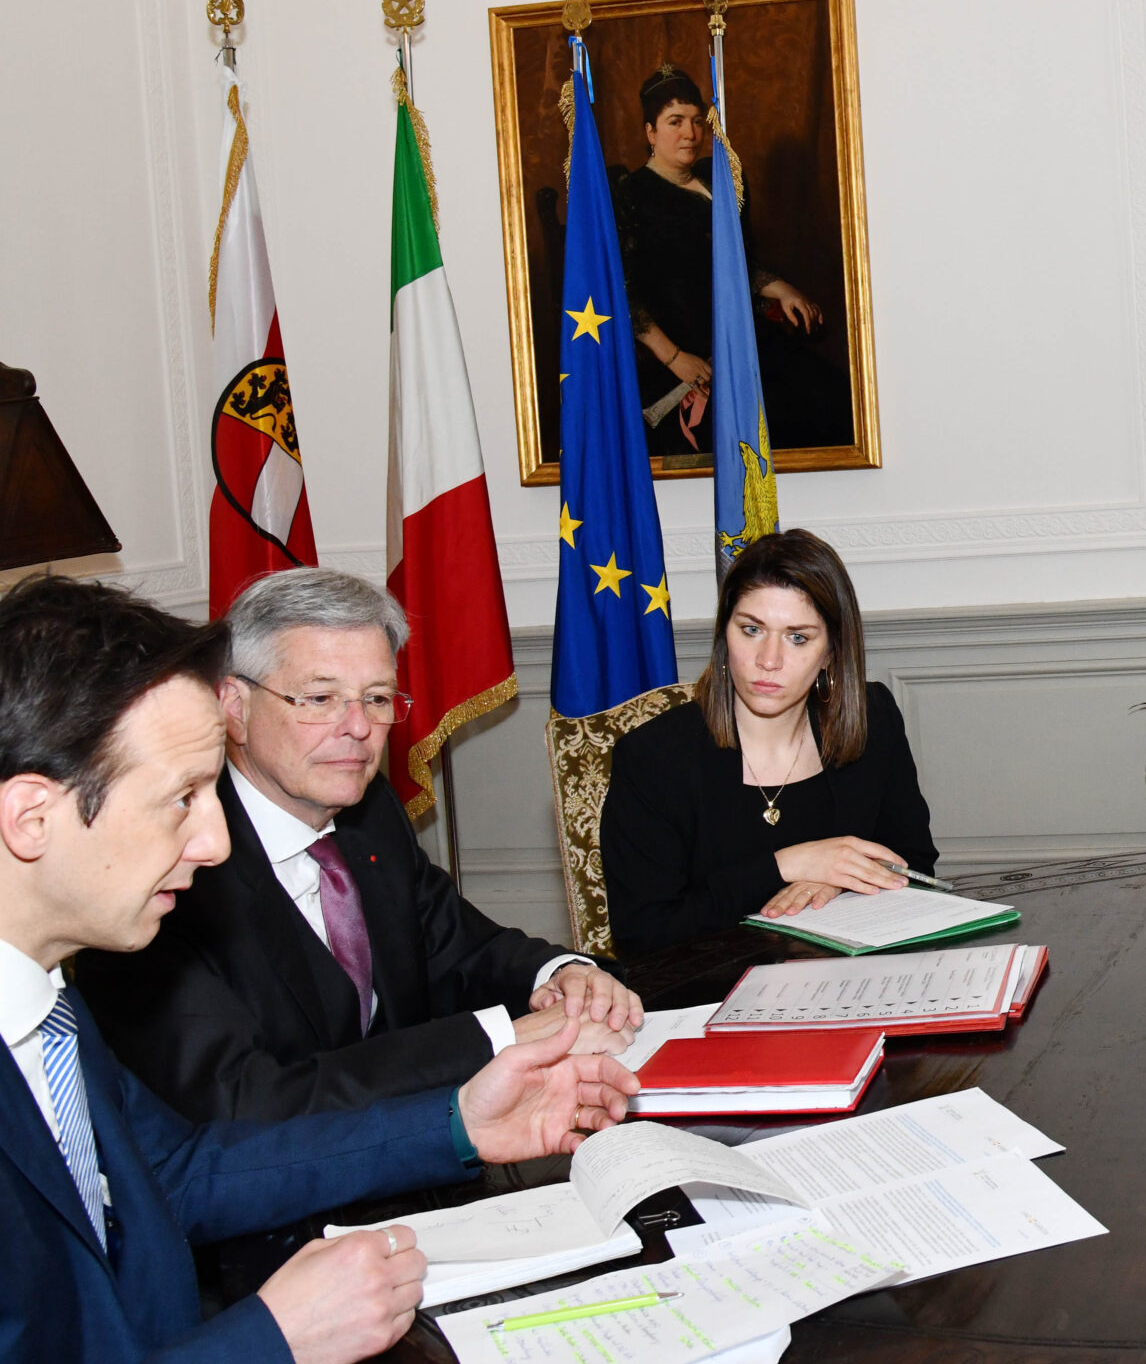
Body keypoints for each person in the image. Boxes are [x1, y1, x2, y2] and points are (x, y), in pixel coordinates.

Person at [0, 574, 636, 1364]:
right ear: (31, 818)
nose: (215, 842)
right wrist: (270, 1336)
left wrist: (458, 1124)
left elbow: (180, 1171)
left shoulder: (45, 1006)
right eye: (180, 799)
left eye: (375, 700)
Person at [79, 569, 642, 1128]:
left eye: (376, 698)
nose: (358, 728)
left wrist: (560, 975)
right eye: (321, 698)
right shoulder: (172, 867)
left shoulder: (370, 812)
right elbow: (244, 1103)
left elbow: (460, 949)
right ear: (234, 706)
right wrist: (496, 1038)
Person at [602, 529, 938, 957]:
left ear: (831, 652)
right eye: (752, 630)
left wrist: (835, 878)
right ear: (725, 635)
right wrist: (787, 865)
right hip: (708, 999)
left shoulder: (875, 719)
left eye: (798, 637)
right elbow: (644, 933)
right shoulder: (654, 757)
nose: (769, 660)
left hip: (852, 985)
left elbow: (914, 864)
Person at [612, 63, 845, 457]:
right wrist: (675, 359)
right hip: (682, 358)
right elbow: (622, 291)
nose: (690, 132)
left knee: (832, 399)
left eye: (696, 120)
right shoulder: (630, 195)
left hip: (741, 339)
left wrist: (783, 290)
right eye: (674, 121)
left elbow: (737, 264)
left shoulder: (719, 177)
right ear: (650, 132)